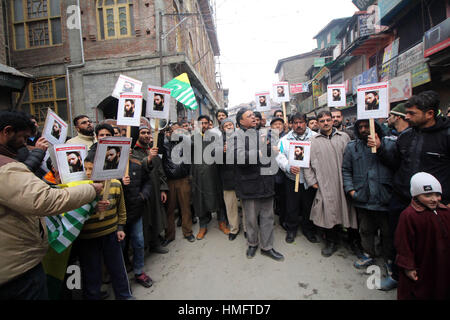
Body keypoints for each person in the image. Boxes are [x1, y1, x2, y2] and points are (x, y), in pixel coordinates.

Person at [0, 111, 102, 300]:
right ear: (7, 132)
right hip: (17, 272)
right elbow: (45, 200)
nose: (25, 143)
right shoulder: (5, 169)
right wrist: (91, 190)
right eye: (23, 137)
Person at [368, 90, 450, 290]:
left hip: (435, 205)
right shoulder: (406, 136)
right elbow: (395, 163)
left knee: (431, 247)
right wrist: (379, 149)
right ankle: (397, 275)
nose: (408, 117)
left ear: (429, 114)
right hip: (402, 200)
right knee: (400, 241)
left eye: (412, 113)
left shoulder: (446, 136)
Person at [79, 151, 134, 300]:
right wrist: (92, 207)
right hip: (88, 238)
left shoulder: (115, 184)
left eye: (92, 169)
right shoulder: (80, 188)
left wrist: (120, 227)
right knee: (91, 274)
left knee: (118, 270)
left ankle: (124, 296)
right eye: (86, 168)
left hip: (111, 234)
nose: (88, 172)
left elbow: (121, 209)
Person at [342, 119, 394, 271]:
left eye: (367, 126)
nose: (364, 129)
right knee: (365, 229)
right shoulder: (352, 147)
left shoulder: (390, 144)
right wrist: (351, 190)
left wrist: (380, 148)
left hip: (384, 197)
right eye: (361, 127)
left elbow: (396, 164)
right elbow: (346, 170)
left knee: (387, 232)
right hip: (363, 197)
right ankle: (368, 254)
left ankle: (389, 259)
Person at [304, 111, 357, 257]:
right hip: (325, 184)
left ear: (333, 121)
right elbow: (306, 164)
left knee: (349, 212)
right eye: (322, 121)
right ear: (318, 123)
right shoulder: (312, 141)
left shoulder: (344, 137)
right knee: (329, 213)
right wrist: (312, 181)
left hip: (344, 182)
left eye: (328, 120)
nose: (326, 123)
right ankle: (331, 242)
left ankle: (354, 242)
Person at [234, 108, 284, 261]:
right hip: (249, 184)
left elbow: (267, 152)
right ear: (241, 121)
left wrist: (271, 149)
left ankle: (267, 247)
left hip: (266, 182)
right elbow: (238, 157)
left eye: (254, 115)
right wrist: (261, 152)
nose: (254, 118)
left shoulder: (261, 133)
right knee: (250, 218)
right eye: (249, 116)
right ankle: (252, 243)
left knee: (268, 217)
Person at [395, 172, 450, 300]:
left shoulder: (445, 212)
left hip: (441, 263)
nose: (434, 199)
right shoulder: (409, 215)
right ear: (416, 195)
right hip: (422, 265)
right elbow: (403, 244)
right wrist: (408, 267)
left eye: (437, 195)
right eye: (428, 195)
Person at [276, 112, 318, 244]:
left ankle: (308, 229)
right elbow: (279, 155)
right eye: (295, 123)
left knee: (308, 205)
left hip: (310, 179)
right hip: (292, 178)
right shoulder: (284, 140)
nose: (298, 125)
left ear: (306, 123)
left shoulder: (316, 137)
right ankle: (291, 229)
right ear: (291, 124)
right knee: (291, 206)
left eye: (301, 122)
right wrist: (288, 166)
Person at [191, 115, 230, 239]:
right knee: (200, 200)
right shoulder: (192, 138)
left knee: (218, 198)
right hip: (198, 176)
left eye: (206, 123)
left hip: (214, 174)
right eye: (201, 123)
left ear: (209, 124)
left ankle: (222, 222)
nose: (203, 125)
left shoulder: (216, 137)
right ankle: (203, 226)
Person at [132, 126, 169, 253]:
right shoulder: (133, 152)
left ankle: (155, 243)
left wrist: (163, 189)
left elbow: (160, 171)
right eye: (143, 133)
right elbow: (136, 170)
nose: (147, 135)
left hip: (156, 189)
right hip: (142, 192)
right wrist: (148, 159)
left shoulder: (152, 150)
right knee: (145, 221)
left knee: (156, 217)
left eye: (148, 133)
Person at [121, 149, 154, 288]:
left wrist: (143, 196)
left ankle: (139, 271)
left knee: (139, 242)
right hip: (118, 217)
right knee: (120, 247)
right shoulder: (111, 169)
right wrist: (120, 182)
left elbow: (147, 182)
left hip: (135, 212)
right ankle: (121, 277)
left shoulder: (136, 165)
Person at [162, 122, 195, 243]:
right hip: (169, 181)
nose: (174, 132)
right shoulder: (164, 142)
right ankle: (169, 235)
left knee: (185, 207)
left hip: (183, 179)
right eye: (172, 130)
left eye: (178, 130)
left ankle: (188, 232)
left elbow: (192, 144)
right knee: (169, 210)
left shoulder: (185, 142)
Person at [219, 118, 240, 240]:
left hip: (242, 176)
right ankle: (234, 229)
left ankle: (248, 229)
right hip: (227, 177)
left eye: (230, 125)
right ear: (222, 128)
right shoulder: (218, 140)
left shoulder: (241, 137)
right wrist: (222, 151)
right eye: (226, 125)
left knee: (245, 204)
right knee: (231, 205)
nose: (229, 127)